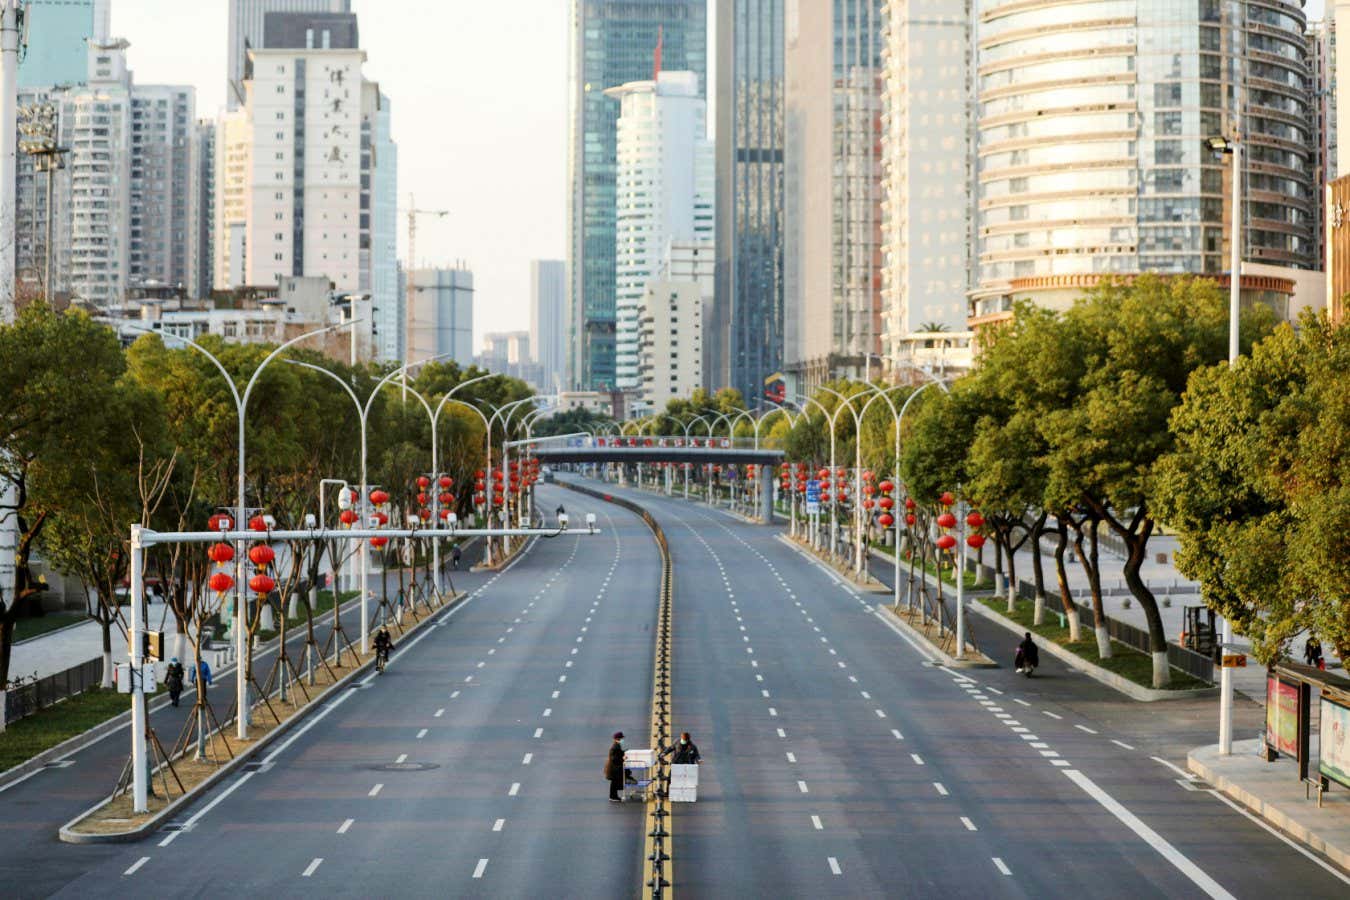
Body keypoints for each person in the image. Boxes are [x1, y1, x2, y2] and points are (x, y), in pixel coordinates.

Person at [605, 731, 627, 802]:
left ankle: (613, 796)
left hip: (614, 768)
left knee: (614, 783)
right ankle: (613, 797)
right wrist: (622, 758)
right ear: (618, 739)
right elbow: (614, 758)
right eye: (622, 738)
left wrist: (624, 752)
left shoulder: (616, 745)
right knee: (614, 783)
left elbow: (619, 753)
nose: (623, 740)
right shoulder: (615, 746)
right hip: (614, 768)